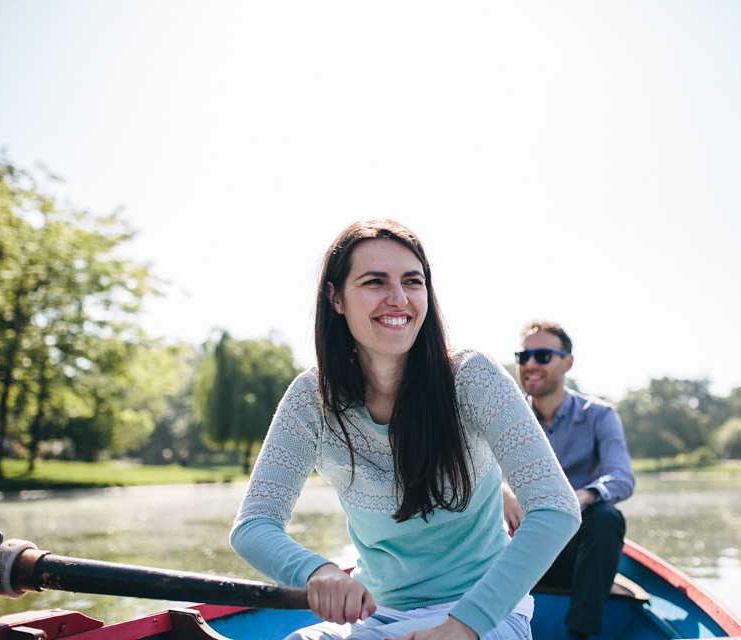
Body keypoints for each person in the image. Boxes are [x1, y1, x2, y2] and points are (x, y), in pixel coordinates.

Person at [231, 220, 581, 640]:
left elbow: (555, 508)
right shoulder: (311, 400)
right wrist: (316, 570)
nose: (398, 299)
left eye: (412, 282)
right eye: (375, 282)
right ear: (335, 297)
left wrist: (464, 626)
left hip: (484, 614)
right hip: (378, 616)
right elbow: (254, 524)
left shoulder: (473, 378)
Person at [501, 322, 634, 640]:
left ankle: (581, 634)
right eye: (524, 356)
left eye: (543, 355)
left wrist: (578, 497)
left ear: (567, 362)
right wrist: (503, 493)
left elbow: (621, 477)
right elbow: (473, 468)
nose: (530, 364)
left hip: (578, 552)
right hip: (522, 545)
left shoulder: (599, 414)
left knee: (606, 517)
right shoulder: (505, 415)